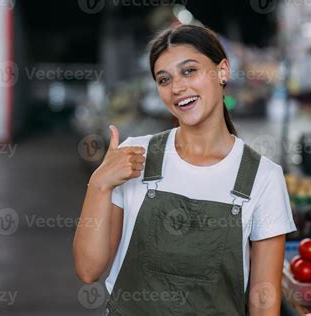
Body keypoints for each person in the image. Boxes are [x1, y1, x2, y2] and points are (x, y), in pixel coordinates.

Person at [73, 24, 297, 315]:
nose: (177, 87)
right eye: (164, 79)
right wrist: (100, 183)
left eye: (189, 71)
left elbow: (263, 300)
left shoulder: (262, 177)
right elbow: (88, 270)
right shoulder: (134, 157)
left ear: (223, 71)